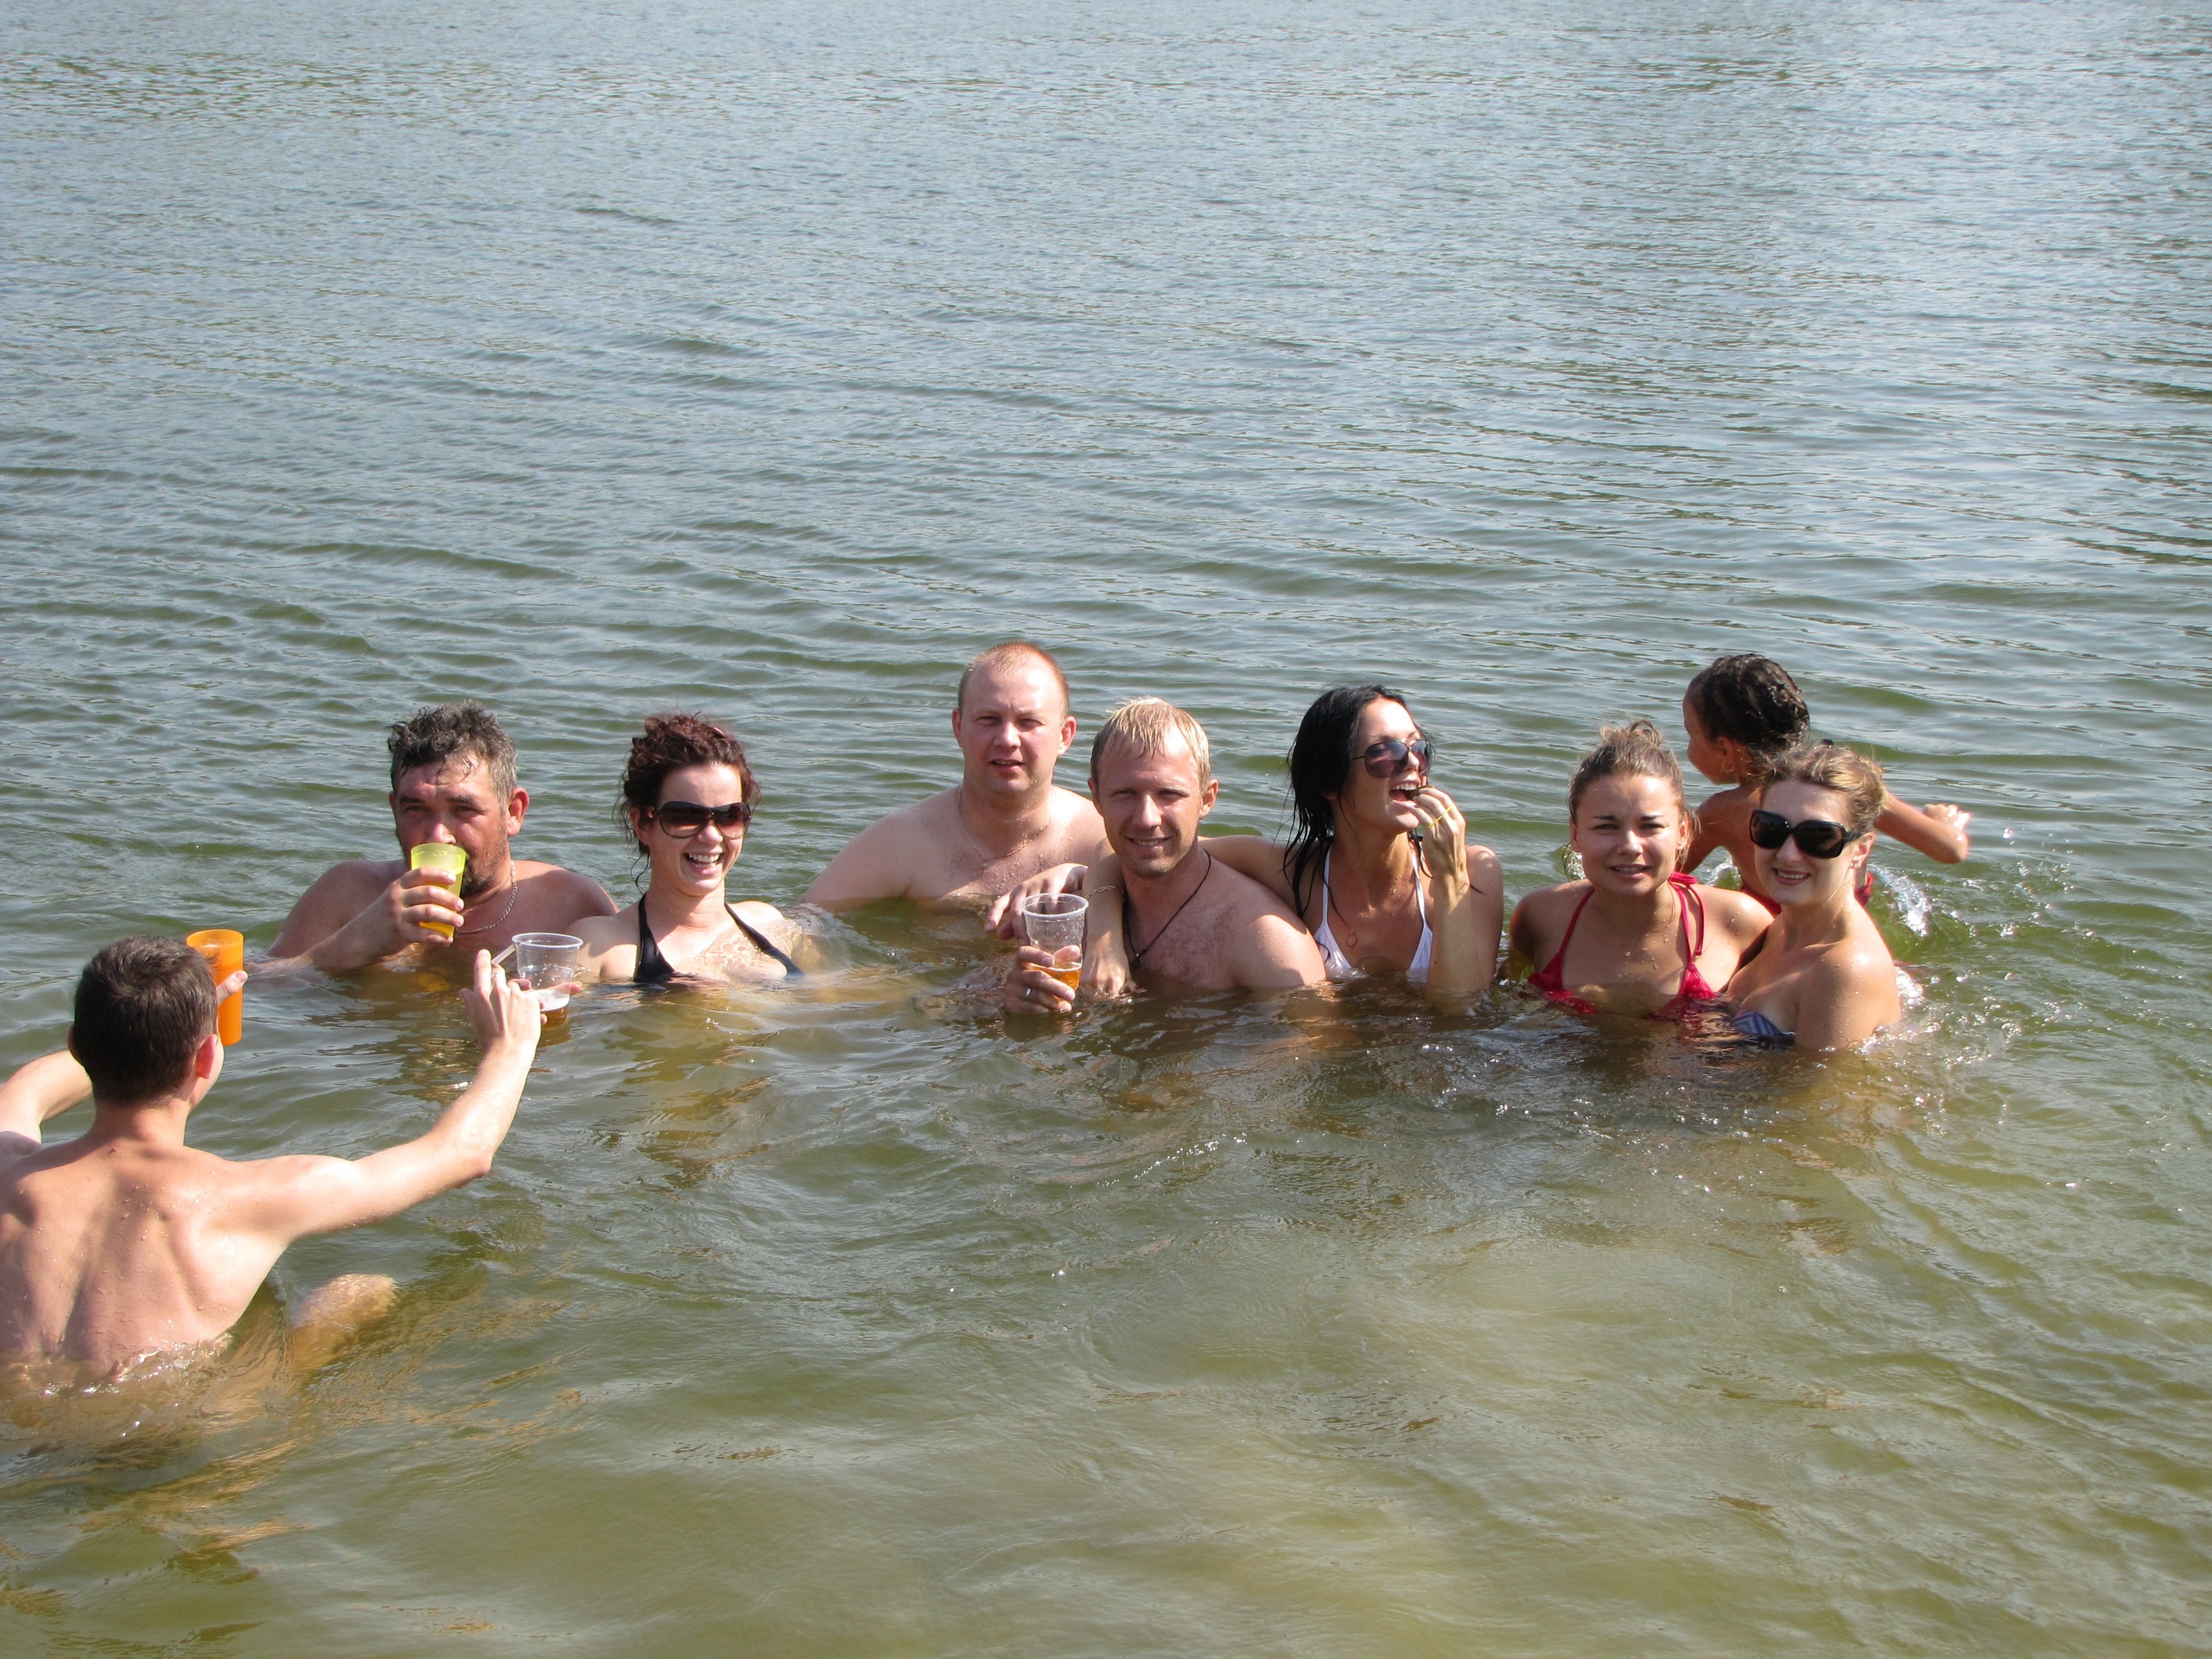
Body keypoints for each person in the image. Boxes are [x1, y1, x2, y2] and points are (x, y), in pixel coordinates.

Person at [0, 938, 539, 1376]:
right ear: (206, 1056)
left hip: (30, 1425)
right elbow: (462, 1153)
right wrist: (509, 1048)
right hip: (175, 1442)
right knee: (360, 1292)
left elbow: (26, 1089)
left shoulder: (9, 1169)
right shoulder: (242, 1200)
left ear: (77, 1046)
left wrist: (139, 1032)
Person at [1001, 685, 1502, 1001]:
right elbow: (1142, 848)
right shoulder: (1288, 871)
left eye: (1419, 748)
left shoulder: (1475, 872)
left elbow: (1459, 1014)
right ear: (1329, 781)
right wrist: (1105, 938)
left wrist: (1451, 879)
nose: (1411, 763)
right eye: (1384, 753)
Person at [1005, 698, 1325, 1009]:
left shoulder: (1266, 944)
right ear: (1097, 798)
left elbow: (1314, 1038)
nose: (1146, 818)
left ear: (1207, 799)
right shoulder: (1067, 921)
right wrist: (1020, 1004)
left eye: (1168, 794)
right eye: (1125, 793)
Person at [270, 702, 615, 971]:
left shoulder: (571, 905)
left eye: (463, 809)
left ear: (513, 812)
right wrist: (355, 943)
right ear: (394, 810)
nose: (438, 835)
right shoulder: (348, 892)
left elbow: (619, 1014)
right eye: (416, 809)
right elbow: (257, 989)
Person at [804, 643, 1109, 912]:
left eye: (1028, 722)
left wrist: (1083, 875)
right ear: (958, 726)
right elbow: (804, 924)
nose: (1007, 739)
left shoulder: (1101, 840)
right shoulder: (906, 842)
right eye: (989, 719)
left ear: (1065, 735)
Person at [1508, 721, 1772, 1020]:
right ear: (1576, 834)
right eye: (1606, 826)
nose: (1630, 846)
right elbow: (1501, 1006)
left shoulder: (1741, 922)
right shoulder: (1539, 917)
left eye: (1650, 826)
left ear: (1683, 832)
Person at [1681, 653, 1970, 911]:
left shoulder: (1722, 812)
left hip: (1772, 940)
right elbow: (1951, 850)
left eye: (1691, 734)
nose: (1688, 746)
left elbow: (1663, 874)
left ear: (1725, 749)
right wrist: (1942, 824)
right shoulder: (1844, 785)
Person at [574, 714, 806, 983]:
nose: (711, 835)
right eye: (685, 816)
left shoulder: (770, 924)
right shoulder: (600, 949)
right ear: (642, 824)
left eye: (729, 815)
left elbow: (828, 997)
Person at [1725, 743, 1904, 1049]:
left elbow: (1819, 1082)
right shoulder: (1785, 927)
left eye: (1818, 837)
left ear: (1860, 849)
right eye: (1771, 828)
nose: (1788, 854)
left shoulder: (1845, 970)